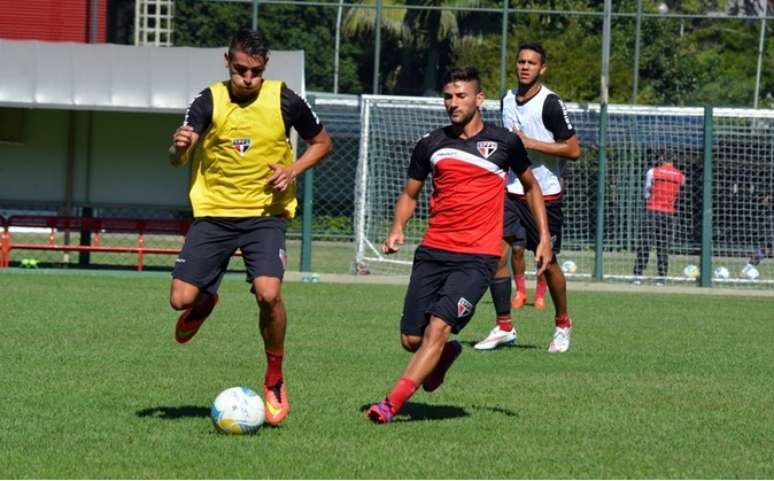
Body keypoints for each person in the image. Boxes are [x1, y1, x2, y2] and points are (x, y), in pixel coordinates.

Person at [366, 66, 552, 424]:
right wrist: (397, 227)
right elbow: (410, 193)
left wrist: (542, 237)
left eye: (461, 96)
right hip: (433, 251)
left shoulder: (504, 143)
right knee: (411, 338)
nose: (453, 103)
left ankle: (390, 404)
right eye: (448, 97)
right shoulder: (430, 144)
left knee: (438, 327)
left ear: (479, 99)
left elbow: (531, 187)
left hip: (477, 258)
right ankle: (444, 355)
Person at [166, 29, 332, 426]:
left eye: (255, 72)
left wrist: (292, 170)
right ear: (227, 61)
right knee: (180, 300)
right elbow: (176, 158)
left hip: (264, 215)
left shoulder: (285, 99)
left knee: (268, 294)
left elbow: (323, 143)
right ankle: (205, 301)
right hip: (214, 213)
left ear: (265, 68)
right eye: (240, 69)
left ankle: (274, 376)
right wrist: (178, 146)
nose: (247, 79)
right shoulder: (207, 100)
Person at [474, 42, 580, 353]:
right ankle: (504, 325)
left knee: (547, 264)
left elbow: (573, 150)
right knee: (497, 254)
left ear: (541, 69)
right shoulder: (506, 99)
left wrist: (529, 143)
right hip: (509, 190)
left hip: (544, 195)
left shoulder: (550, 103)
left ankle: (562, 323)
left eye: (532, 63)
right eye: (521, 61)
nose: (525, 66)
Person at [632, 152, 685, 285]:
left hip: (652, 211)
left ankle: (638, 275)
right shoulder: (680, 176)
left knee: (645, 244)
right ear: (673, 160)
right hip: (668, 213)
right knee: (663, 247)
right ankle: (661, 277)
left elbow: (646, 192)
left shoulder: (653, 172)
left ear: (661, 159)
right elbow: (679, 194)